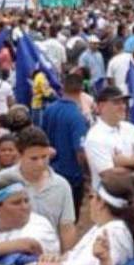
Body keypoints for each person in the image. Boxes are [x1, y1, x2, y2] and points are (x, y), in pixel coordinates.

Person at [83, 86, 134, 193]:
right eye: (116, 103)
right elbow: (108, 175)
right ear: (101, 107)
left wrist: (125, 161)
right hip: (109, 201)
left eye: (124, 102)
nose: (123, 106)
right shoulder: (95, 137)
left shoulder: (130, 128)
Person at [41, 68, 91, 214]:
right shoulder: (77, 116)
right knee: (70, 218)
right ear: (81, 89)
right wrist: (87, 175)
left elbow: (43, 138)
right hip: (71, 175)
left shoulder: (50, 109)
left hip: (51, 171)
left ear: (63, 87)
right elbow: (80, 151)